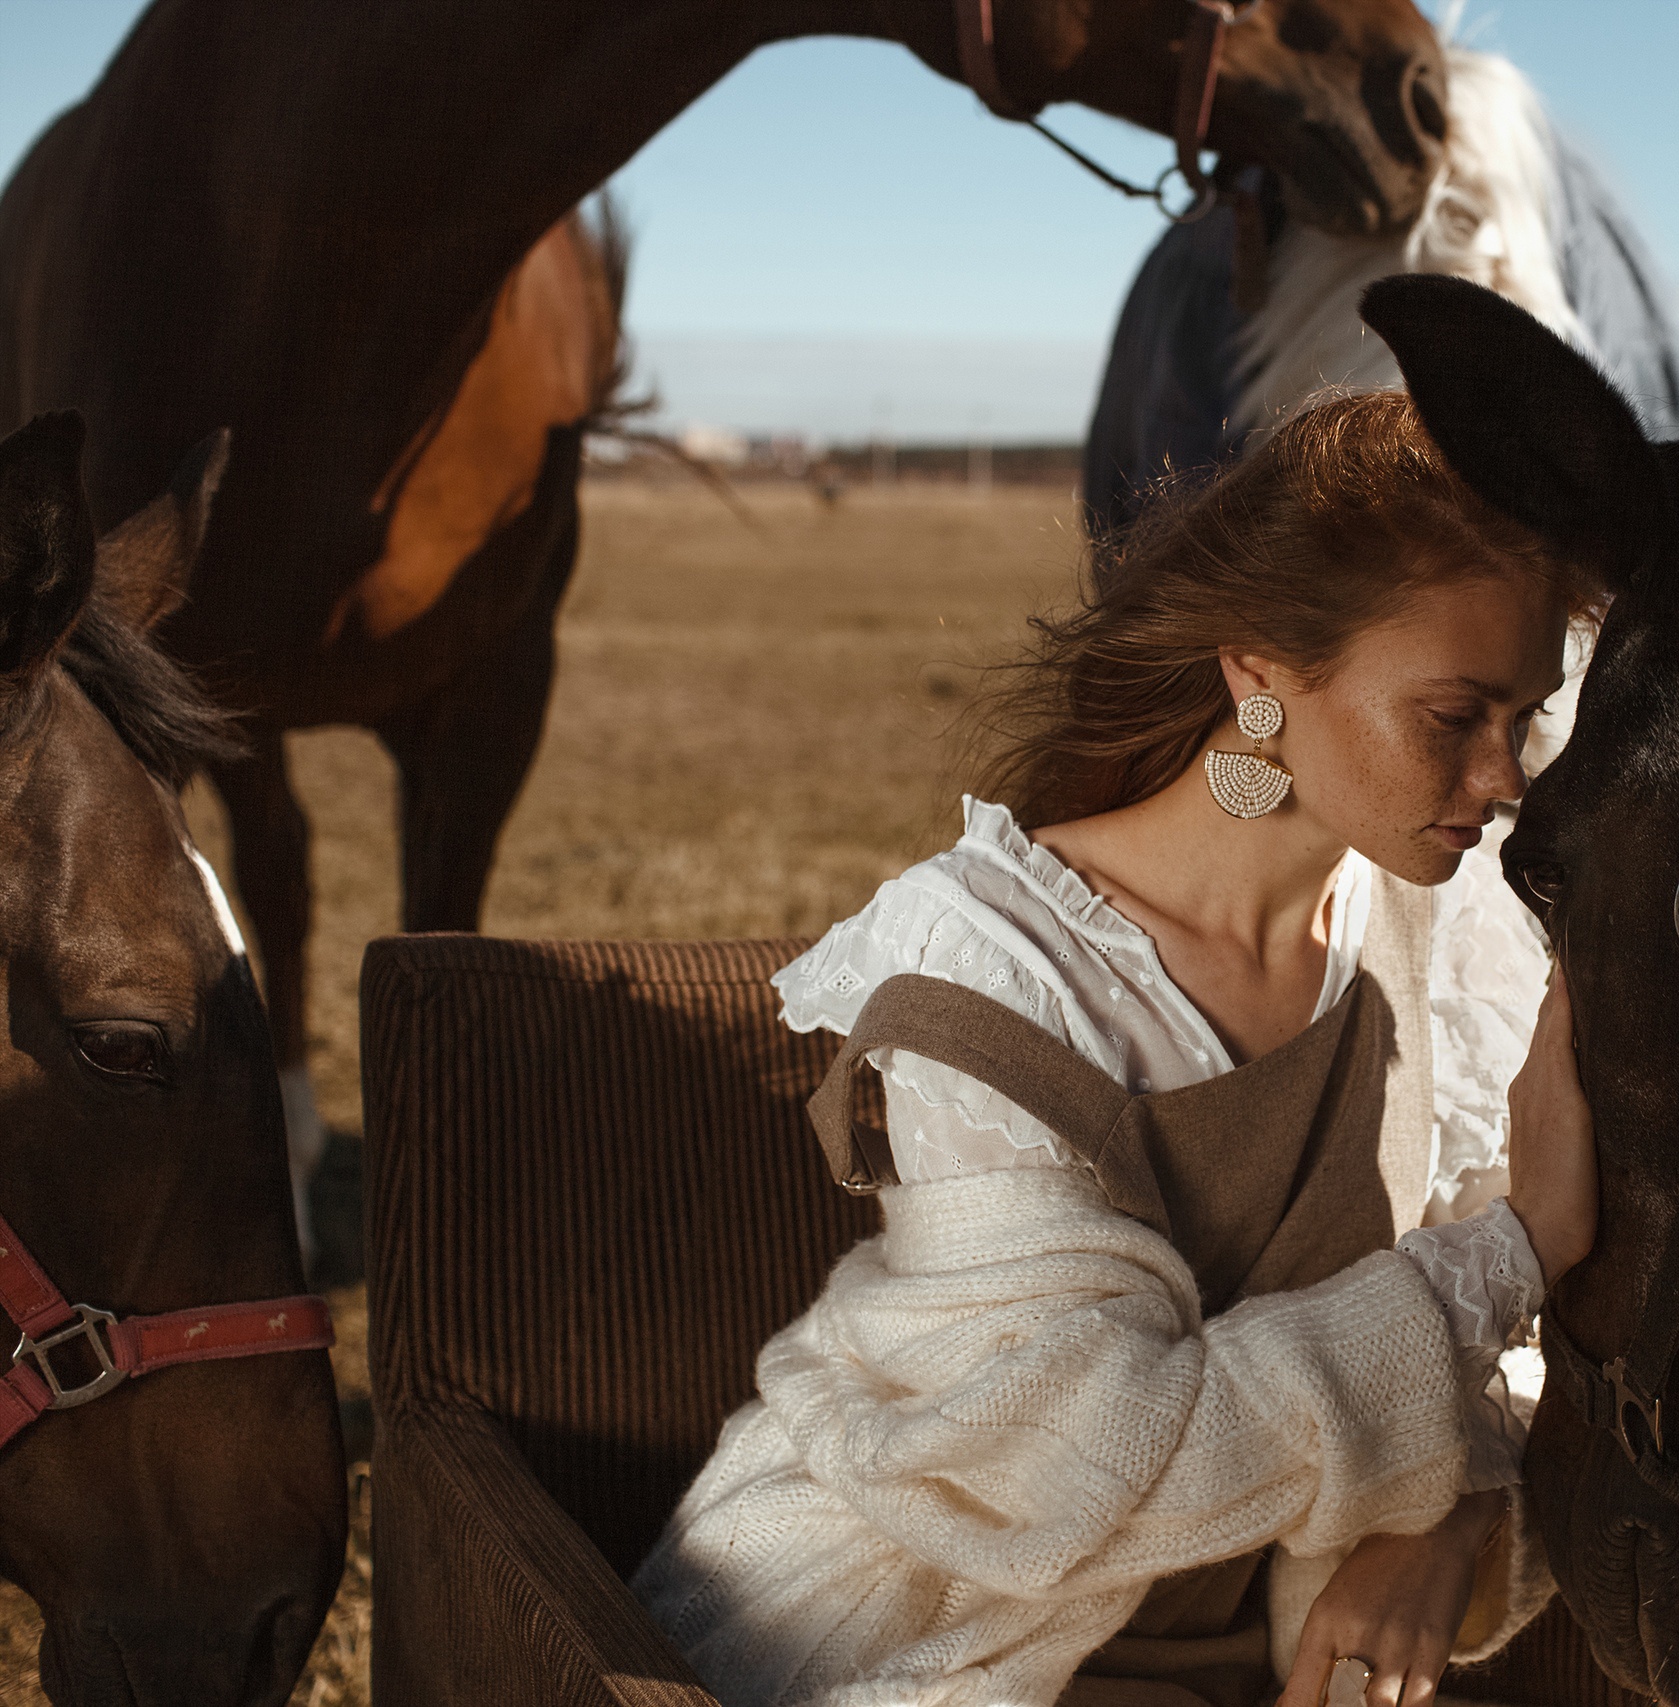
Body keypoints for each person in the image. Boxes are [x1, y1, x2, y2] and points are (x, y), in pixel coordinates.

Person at [633, 390, 1602, 1707]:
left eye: (1528, 715)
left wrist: (1452, 1516)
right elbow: (1065, 1467)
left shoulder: (1456, 934)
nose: (1506, 779)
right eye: (1454, 717)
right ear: (1258, 671)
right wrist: (1518, 1242)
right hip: (920, 1644)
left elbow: (1528, 1352)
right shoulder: (988, 967)